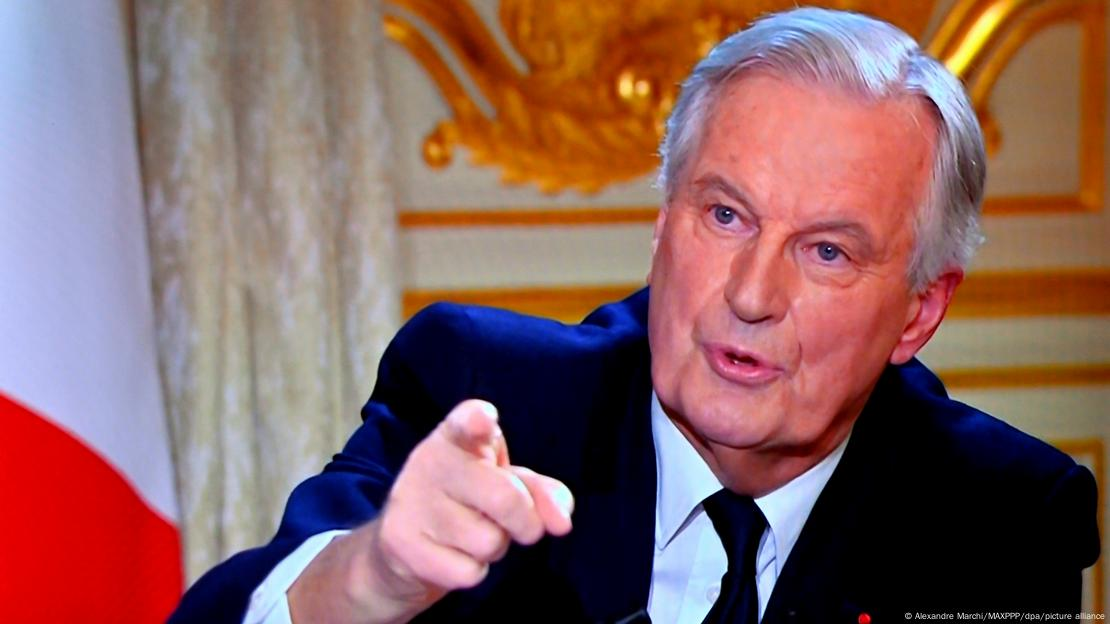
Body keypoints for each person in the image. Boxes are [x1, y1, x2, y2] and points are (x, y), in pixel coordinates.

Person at [170, 8, 1100, 624]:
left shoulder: (1000, 518)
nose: (750, 295)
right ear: (663, 226)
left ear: (919, 314)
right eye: (725, 216)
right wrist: (371, 578)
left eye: (827, 252)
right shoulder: (484, 397)